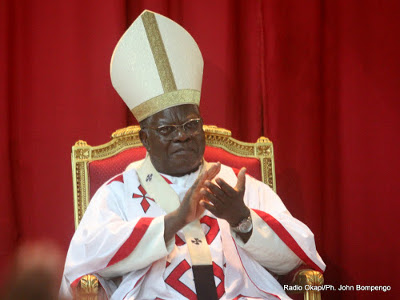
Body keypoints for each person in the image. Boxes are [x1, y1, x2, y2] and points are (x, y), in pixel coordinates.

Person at [60, 10, 325, 300]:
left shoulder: (237, 186)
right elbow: (84, 261)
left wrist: (242, 218)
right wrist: (173, 222)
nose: (182, 135)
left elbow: (299, 254)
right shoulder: (119, 193)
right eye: (167, 128)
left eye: (191, 125)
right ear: (145, 139)